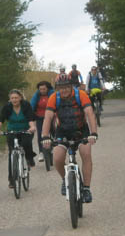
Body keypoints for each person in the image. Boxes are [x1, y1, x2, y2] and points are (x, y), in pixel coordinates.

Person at [41, 73, 98, 202]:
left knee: (86, 154)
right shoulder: (54, 97)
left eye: (67, 86)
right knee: (57, 158)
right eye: (61, 87)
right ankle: (65, 179)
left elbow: (89, 113)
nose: (64, 90)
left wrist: (93, 133)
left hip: (81, 130)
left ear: (71, 86)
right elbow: (48, 117)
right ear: (57, 88)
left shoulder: (80, 95)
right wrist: (45, 136)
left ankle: (86, 189)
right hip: (62, 132)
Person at [0, 89, 37, 188]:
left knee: (26, 143)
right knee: (11, 153)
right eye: (12, 98)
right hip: (12, 131)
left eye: (16, 98)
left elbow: (30, 118)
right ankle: (12, 180)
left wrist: (32, 127)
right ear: (10, 99)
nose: (14, 100)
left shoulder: (25, 105)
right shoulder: (7, 107)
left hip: (25, 130)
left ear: (20, 98)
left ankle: (29, 158)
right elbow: (1, 119)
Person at [30, 80, 54, 162]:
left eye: (44, 89)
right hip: (39, 117)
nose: (42, 91)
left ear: (48, 88)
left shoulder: (52, 94)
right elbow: (32, 105)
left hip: (51, 117)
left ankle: (53, 146)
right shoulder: (37, 95)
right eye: (40, 89)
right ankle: (41, 152)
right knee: (40, 134)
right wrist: (30, 114)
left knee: (54, 132)